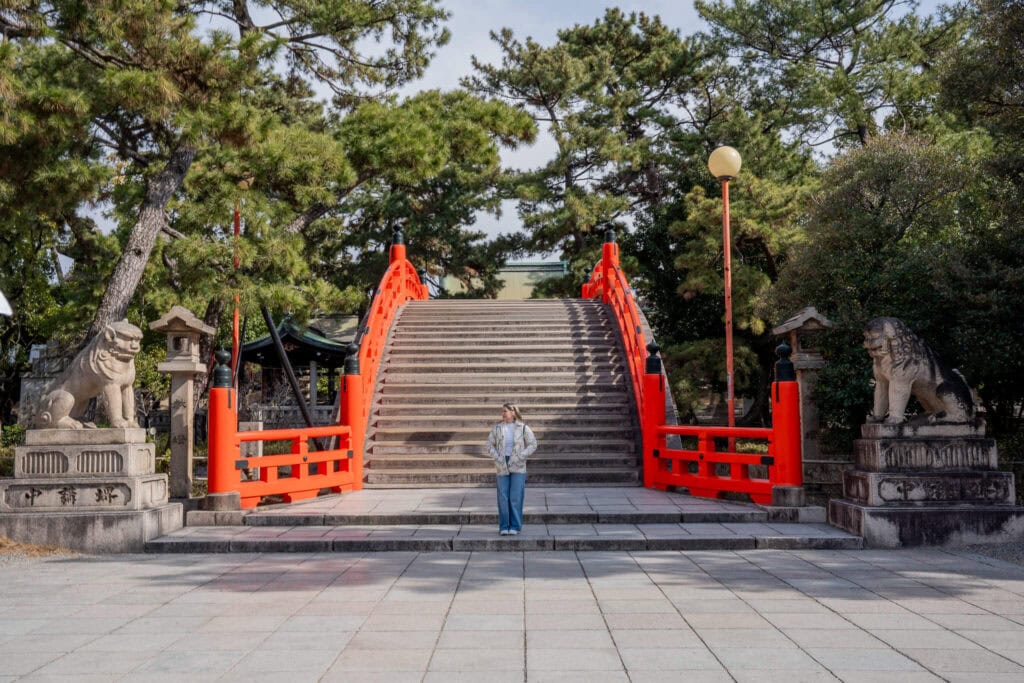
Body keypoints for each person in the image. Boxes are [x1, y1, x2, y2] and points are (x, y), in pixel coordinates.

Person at [487, 402, 537, 535]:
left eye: (505, 411)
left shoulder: (523, 427)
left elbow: (533, 444)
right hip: (502, 463)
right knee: (503, 496)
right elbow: (489, 444)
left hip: (518, 464)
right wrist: (497, 456)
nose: (503, 413)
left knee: (515, 496)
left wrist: (521, 456)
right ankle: (504, 526)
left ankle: (515, 526)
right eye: (502, 411)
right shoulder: (497, 428)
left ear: (513, 412)